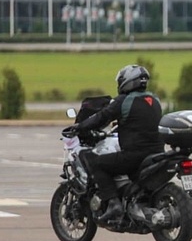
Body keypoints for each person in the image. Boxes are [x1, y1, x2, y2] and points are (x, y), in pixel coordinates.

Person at [70, 65, 164, 222]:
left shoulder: (124, 101)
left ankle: (113, 203)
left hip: (135, 156)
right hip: (157, 154)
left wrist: (80, 126)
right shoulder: (155, 100)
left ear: (126, 81)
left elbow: (102, 117)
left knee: (96, 163)